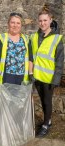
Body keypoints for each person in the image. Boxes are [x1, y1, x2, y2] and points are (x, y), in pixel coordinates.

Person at [30, 6, 64, 137]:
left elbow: (59, 61)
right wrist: (31, 73)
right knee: (42, 100)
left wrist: (56, 79)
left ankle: (46, 124)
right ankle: (47, 120)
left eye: (45, 20)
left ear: (50, 20)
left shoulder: (57, 39)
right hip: (37, 77)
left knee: (47, 101)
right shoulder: (34, 37)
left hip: (49, 78)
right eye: (40, 21)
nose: (42, 23)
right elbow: (31, 56)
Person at [0, 12, 33, 86]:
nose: (15, 25)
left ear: (21, 25)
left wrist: (30, 73)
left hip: (22, 77)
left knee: (20, 97)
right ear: (8, 24)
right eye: (12, 22)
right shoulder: (1, 38)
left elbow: (30, 58)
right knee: (6, 97)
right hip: (7, 77)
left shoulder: (26, 39)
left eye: (18, 23)